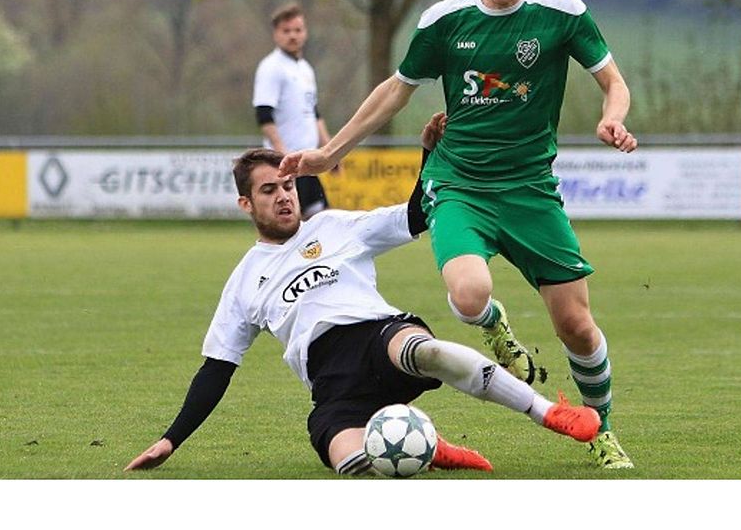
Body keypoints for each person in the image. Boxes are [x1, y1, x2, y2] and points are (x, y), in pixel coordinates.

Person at [278, 0, 636, 469]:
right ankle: (494, 326)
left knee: (576, 326)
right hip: (459, 184)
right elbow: (395, 91)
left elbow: (613, 81)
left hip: (530, 189)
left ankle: (601, 430)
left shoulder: (562, 12)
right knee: (469, 296)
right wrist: (330, 153)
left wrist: (614, 117)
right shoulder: (445, 20)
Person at [126, 113, 601, 476]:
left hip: (378, 338)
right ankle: (429, 447)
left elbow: (417, 215)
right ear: (246, 205)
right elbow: (217, 368)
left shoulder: (335, 226)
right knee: (354, 463)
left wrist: (429, 154)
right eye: (269, 190)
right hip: (331, 384)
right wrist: (170, 441)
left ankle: (548, 412)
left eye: (288, 185)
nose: (285, 196)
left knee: (424, 350)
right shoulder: (245, 279)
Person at [252, 3, 335, 219]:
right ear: (276, 34)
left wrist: (330, 150)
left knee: (320, 223)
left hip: (305, 161)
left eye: (297, 30)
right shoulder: (272, 67)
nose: (293, 36)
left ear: (305, 32)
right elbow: (263, 114)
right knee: (295, 226)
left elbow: (313, 111)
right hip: (286, 163)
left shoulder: (305, 69)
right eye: (286, 31)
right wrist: (282, 154)